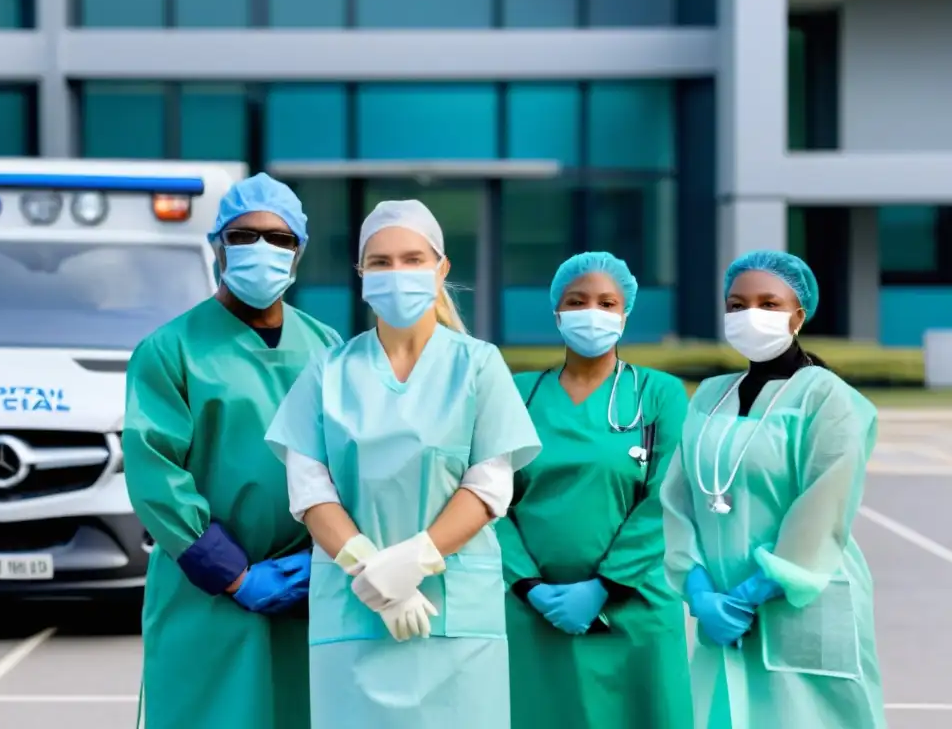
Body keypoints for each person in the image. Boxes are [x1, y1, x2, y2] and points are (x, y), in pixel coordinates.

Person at [264, 199, 542, 729]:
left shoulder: (478, 364)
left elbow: (488, 487)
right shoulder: (328, 370)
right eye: (382, 262)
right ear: (362, 275)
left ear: (441, 269)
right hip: (354, 613)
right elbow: (310, 493)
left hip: (454, 617)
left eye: (413, 259)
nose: (398, 274)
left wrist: (414, 561)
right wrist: (372, 574)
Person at [123, 173, 342, 729]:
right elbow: (155, 473)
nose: (262, 250)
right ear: (218, 244)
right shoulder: (170, 349)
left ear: (299, 252)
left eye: (280, 238)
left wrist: (328, 559)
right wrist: (233, 574)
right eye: (244, 237)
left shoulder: (328, 348)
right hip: (205, 597)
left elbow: (355, 465)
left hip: (309, 591)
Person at [660, 249, 886, 729]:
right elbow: (678, 499)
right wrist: (698, 589)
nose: (750, 316)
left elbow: (825, 506)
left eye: (768, 304)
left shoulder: (827, 397)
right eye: (737, 305)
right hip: (719, 605)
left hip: (798, 600)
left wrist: (754, 591)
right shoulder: (709, 394)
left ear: (798, 315)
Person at [497, 252, 693, 728]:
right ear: (557, 312)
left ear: (625, 315)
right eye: (578, 301)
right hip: (533, 615)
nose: (593, 312)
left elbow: (669, 497)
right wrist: (527, 584)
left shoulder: (658, 393)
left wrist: (605, 585)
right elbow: (488, 497)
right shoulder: (517, 393)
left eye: (608, 303)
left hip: (636, 609)